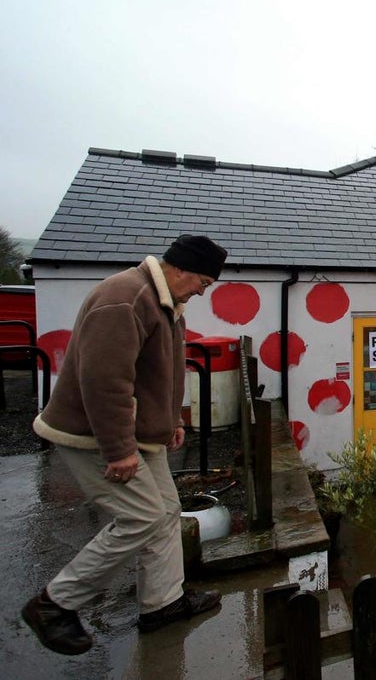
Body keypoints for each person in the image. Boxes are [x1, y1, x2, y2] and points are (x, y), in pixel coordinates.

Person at [21, 234, 228, 655]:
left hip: (138, 434)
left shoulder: (164, 302)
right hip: (96, 435)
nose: (202, 291)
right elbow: (104, 382)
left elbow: (159, 372)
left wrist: (170, 421)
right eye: (203, 282)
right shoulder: (125, 298)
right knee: (141, 518)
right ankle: (55, 604)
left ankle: (163, 604)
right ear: (181, 268)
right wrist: (119, 450)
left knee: (166, 512)